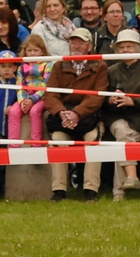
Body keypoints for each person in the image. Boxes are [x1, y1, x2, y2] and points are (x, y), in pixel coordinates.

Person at [45, 26, 107, 201]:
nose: (76, 46)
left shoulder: (100, 65)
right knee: (57, 142)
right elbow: (50, 94)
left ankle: (90, 190)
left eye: (81, 42)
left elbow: (98, 96)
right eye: (73, 42)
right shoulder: (59, 65)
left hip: (89, 117)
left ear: (89, 46)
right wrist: (62, 112)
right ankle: (58, 191)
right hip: (63, 117)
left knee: (93, 142)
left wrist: (77, 113)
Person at [104, 28, 140, 199]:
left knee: (122, 142)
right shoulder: (111, 70)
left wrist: (132, 101)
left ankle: (119, 192)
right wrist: (110, 100)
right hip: (116, 117)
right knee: (121, 131)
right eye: (121, 47)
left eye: (129, 46)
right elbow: (102, 99)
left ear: (138, 48)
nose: (125, 50)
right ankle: (131, 178)